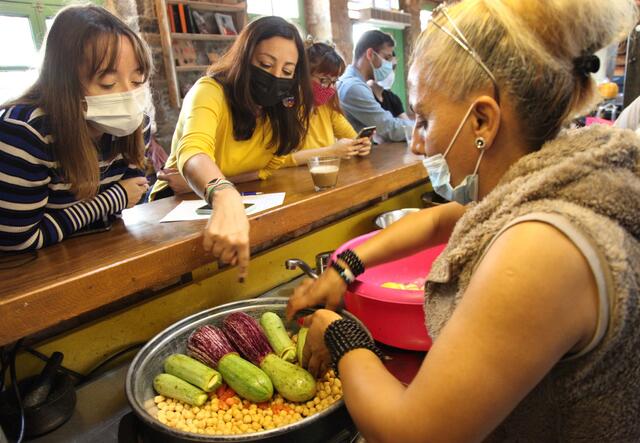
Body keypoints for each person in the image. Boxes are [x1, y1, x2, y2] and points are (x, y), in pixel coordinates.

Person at [287, 1, 640, 442]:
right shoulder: (545, 187)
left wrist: (339, 335)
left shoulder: (544, 245)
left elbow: (413, 435)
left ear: (483, 120)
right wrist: (344, 269)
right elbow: (443, 221)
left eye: (423, 119)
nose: (417, 144)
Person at [149, 16, 313, 281]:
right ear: (245, 59)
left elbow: (266, 168)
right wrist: (223, 192)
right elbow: (193, 150)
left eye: (286, 71)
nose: (275, 77)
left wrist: (226, 185)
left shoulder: (279, 112)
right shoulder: (209, 91)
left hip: (223, 202)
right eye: (265, 64)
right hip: (173, 210)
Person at [0, 5, 153, 251]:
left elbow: (136, 190)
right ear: (64, 84)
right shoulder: (24, 132)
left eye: (137, 81)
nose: (129, 96)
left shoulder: (136, 123)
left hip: (101, 253)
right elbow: (19, 240)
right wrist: (111, 200)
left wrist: (120, 198)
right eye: (108, 83)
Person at [282, 41, 371, 167]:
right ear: (302, 75)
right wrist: (331, 152)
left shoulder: (327, 107)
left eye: (334, 81)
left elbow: (352, 137)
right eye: (324, 80)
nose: (330, 88)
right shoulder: (285, 107)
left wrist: (360, 146)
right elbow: (277, 161)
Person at [337, 30, 413, 142]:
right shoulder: (353, 87)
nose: (389, 66)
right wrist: (423, 127)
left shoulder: (358, 84)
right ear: (370, 54)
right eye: (386, 58)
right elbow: (388, 127)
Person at [366, 52, 410, 120]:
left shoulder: (393, 98)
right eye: (387, 67)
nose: (391, 72)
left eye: (393, 67)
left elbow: (407, 125)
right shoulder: (364, 96)